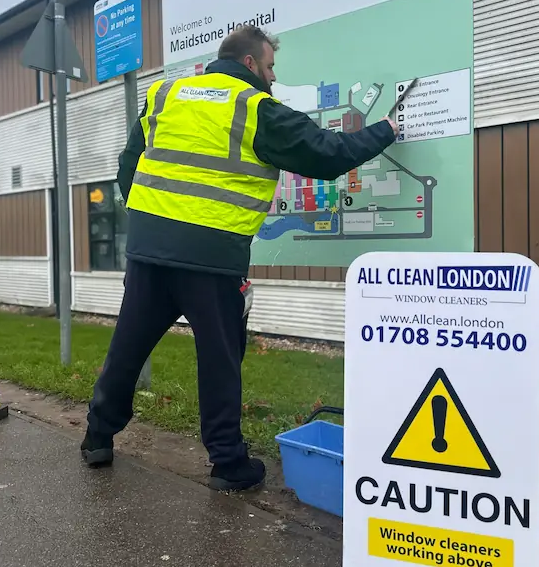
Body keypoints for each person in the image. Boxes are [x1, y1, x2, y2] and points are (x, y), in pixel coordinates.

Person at [81, 25, 399, 491]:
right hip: (212, 255)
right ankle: (229, 464)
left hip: (149, 249)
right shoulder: (254, 108)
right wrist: (386, 130)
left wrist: (153, 219)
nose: (272, 77)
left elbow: (129, 167)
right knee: (219, 360)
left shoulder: (165, 94)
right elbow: (327, 155)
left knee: (128, 347)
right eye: (270, 66)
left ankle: (97, 438)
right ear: (251, 64)